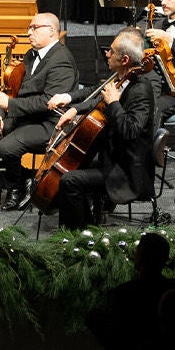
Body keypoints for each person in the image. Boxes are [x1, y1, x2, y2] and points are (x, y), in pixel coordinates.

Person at [48, 27, 159, 229]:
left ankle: (79, 234)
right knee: (74, 165)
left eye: (112, 51)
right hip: (112, 157)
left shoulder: (141, 90)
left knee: (69, 180)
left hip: (126, 170)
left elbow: (130, 131)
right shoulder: (120, 78)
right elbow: (98, 99)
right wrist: (75, 110)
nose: (107, 54)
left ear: (124, 59)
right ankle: (86, 223)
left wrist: (114, 104)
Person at [0, 12, 78, 210]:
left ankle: (14, 188)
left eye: (34, 28)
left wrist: (10, 106)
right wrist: (5, 115)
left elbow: (48, 102)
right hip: (27, 117)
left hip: (50, 123)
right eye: (29, 28)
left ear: (51, 31)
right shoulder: (31, 55)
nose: (29, 33)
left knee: (6, 147)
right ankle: (25, 179)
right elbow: (22, 92)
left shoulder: (61, 60)